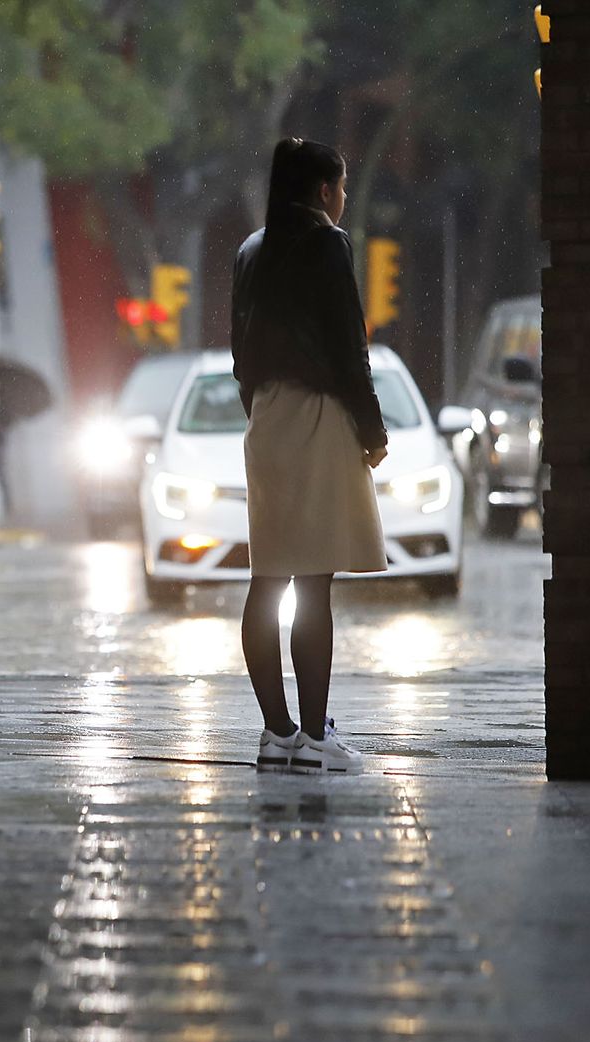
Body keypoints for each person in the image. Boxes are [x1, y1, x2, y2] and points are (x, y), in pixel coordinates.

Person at [231, 137, 389, 776]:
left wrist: (262, 408)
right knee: (314, 582)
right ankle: (318, 739)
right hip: (319, 416)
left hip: (268, 417)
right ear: (325, 191)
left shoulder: (251, 250)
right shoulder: (327, 244)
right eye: (342, 187)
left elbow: (240, 352)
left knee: (267, 578)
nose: (344, 198)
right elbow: (349, 344)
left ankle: (278, 731)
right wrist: (372, 428)